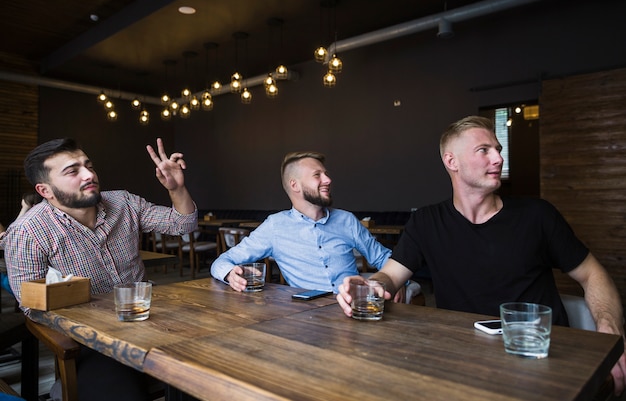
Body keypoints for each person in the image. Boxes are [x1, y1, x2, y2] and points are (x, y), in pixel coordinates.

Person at [337, 115, 625, 396]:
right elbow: (390, 275)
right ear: (452, 162)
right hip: (461, 362)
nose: (498, 159)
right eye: (483, 151)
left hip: (539, 358)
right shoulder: (427, 221)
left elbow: (593, 274)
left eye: (497, 150)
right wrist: (371, 285)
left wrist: (610, 331)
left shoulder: (538, 216)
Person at [2, 137, 198, 401]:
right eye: (73, 171)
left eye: (88, 165)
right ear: (45, 190)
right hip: (94, 344)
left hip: (153, 323)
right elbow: (32, 304)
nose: (89, 174)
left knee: (209, 377)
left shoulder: (124, 203)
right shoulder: (28, 231)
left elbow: (182, 225)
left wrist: (176, 189)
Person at [211, 151, 392, 294]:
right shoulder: (274, 226)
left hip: (354, 308)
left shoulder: (347, 220)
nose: (328, 180)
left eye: (326, 174)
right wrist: (229, 274)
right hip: (307, 317)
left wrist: (397, 282)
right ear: (294, 185)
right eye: (317, 175)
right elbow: (221, 262)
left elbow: (383, 258)